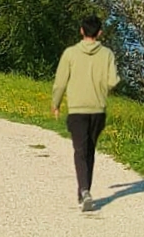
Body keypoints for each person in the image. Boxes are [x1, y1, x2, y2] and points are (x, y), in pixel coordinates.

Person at [51, 15, 119, 211]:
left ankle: (83, 190)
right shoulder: (107, 54)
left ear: (81, 30)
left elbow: (60, 82)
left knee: (80, 151)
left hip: (77, 110)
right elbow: (113, 80)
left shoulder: (70, 53)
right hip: (98, 109)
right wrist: (101, 88)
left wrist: (56, 103)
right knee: (90, 150)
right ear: (99, 33)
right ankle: (84, 191)